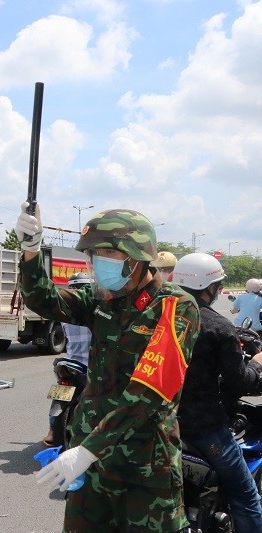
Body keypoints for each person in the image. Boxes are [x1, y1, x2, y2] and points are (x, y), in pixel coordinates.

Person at [16, 203, 200, 531]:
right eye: (92, 255)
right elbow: (43, 300)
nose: (95, 263)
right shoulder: (102, 298)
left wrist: (88, 450)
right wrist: (31, 251)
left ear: (135, 257)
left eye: (105, 254)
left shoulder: (175, 306)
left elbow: (149, 391)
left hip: (143, 468)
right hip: (92, 463)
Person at [174, 253, 262, 532]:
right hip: (203, 428)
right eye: (218, 286)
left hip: (161, 422)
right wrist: (258, 365)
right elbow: (240, 382)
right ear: (210, 288)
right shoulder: (217, 326)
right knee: (246, 495)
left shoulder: (157, 315)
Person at [43, 272, 93, 447]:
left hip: (70, 362)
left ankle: (51, 432)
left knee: (59, 392)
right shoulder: (93, 312)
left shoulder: (64, 314)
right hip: (89, 367)